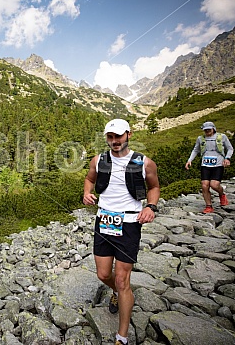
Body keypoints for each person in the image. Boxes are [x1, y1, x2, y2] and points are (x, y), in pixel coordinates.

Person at [83, 118, 160, 345]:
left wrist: (150, 206)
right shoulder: (98, 160)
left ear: (129, 134)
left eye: (118, 136)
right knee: (103, 275)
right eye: (110, 137)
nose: (114, 141)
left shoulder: (145, 163)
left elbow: (154, 187)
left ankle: (122, 337)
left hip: (129, 223)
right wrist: (87, 193)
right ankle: (115, 292)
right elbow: (89, 179)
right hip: (104, 220)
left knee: (122, 278)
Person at [185, 121, 234, 213]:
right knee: (204, 185)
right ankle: (209, 206)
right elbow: (196, 150)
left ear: (213, 129)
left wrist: (227, 158)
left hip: (218, 164)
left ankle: (222, 194)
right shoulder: (200, 139)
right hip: (205, 164)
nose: (207, 131)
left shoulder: (222, 137)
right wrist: (189, 160)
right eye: (205, 130)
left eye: (209, 129)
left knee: (214, 185)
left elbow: (230, 148)